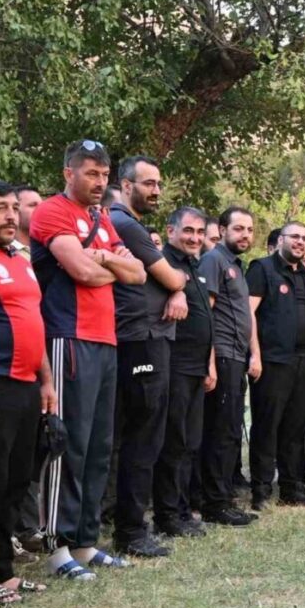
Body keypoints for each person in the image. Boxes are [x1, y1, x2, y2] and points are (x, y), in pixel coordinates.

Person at [31, 139, 146, 580]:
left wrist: (103, 258)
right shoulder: (53, 212)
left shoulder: (98, 218)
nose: (99, 182)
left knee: (98, 447)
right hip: (67, 337)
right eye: (90, 173)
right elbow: (82, 272)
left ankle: (84, 543)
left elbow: (136, 275)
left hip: (105, 339)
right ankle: (56, 547)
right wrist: (107, 262)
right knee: (69, 445)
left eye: (103, 174)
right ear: (68, 174)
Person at [0, 180, 57, 604]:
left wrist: (47, 381)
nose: (10, 216)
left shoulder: (19, 259)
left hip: (25, 386)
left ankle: (4, 572)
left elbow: (32, 322)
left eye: (12, 208)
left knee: (16, 483)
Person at [109, 155, 187, 558]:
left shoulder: (129, 226)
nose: (156, 190)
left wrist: (176, 287)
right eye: (147, 183)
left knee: (145, 435)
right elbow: (172, 276)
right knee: (143, 437)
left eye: (158, 183)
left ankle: (129, 524)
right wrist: (178, 284)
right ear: (125, 185)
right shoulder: (124, 224)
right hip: (141, 339)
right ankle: (131, 531)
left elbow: (172, 281)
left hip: (147, 337)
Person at [246, 221, 305, 509]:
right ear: (280, 241)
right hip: (272, 362)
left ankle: (292, 488)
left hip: (303, 363)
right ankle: (262, 491)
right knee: (267, 426)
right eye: (295, 237)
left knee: (295, 428)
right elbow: (249, 314)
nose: (300, 242)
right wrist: (255, 354)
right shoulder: (262, 269)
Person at [153, 206, 214, 538]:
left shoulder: (197, 266)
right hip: (173, 366)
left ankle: (181, 509)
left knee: (190, 442)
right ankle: (166, 515)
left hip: (196, 369)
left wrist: (208, 364)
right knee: (173, 443)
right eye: (188, 231)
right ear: (170, 231)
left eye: (200, 232)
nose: (194, 238)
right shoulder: (163, 265)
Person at [197, 206, 260, 527]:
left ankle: (223, 497)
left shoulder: (236, 265)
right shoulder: (213, 260)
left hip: (237, 356)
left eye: (249, 229)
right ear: (222, 230)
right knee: (220, 432)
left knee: (231, 430)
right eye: (238, 229)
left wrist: (253, 354)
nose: (245, 235)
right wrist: (209, 362)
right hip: (221, 356)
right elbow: (205, 315)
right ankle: (215, 504)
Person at [11, 184, 44, 554]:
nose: (39, 210)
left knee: (35, 448)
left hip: (40, 359)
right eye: (31, 204)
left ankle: (28, 525)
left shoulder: (43, 253)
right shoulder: (4, 255)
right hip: (5, 366)